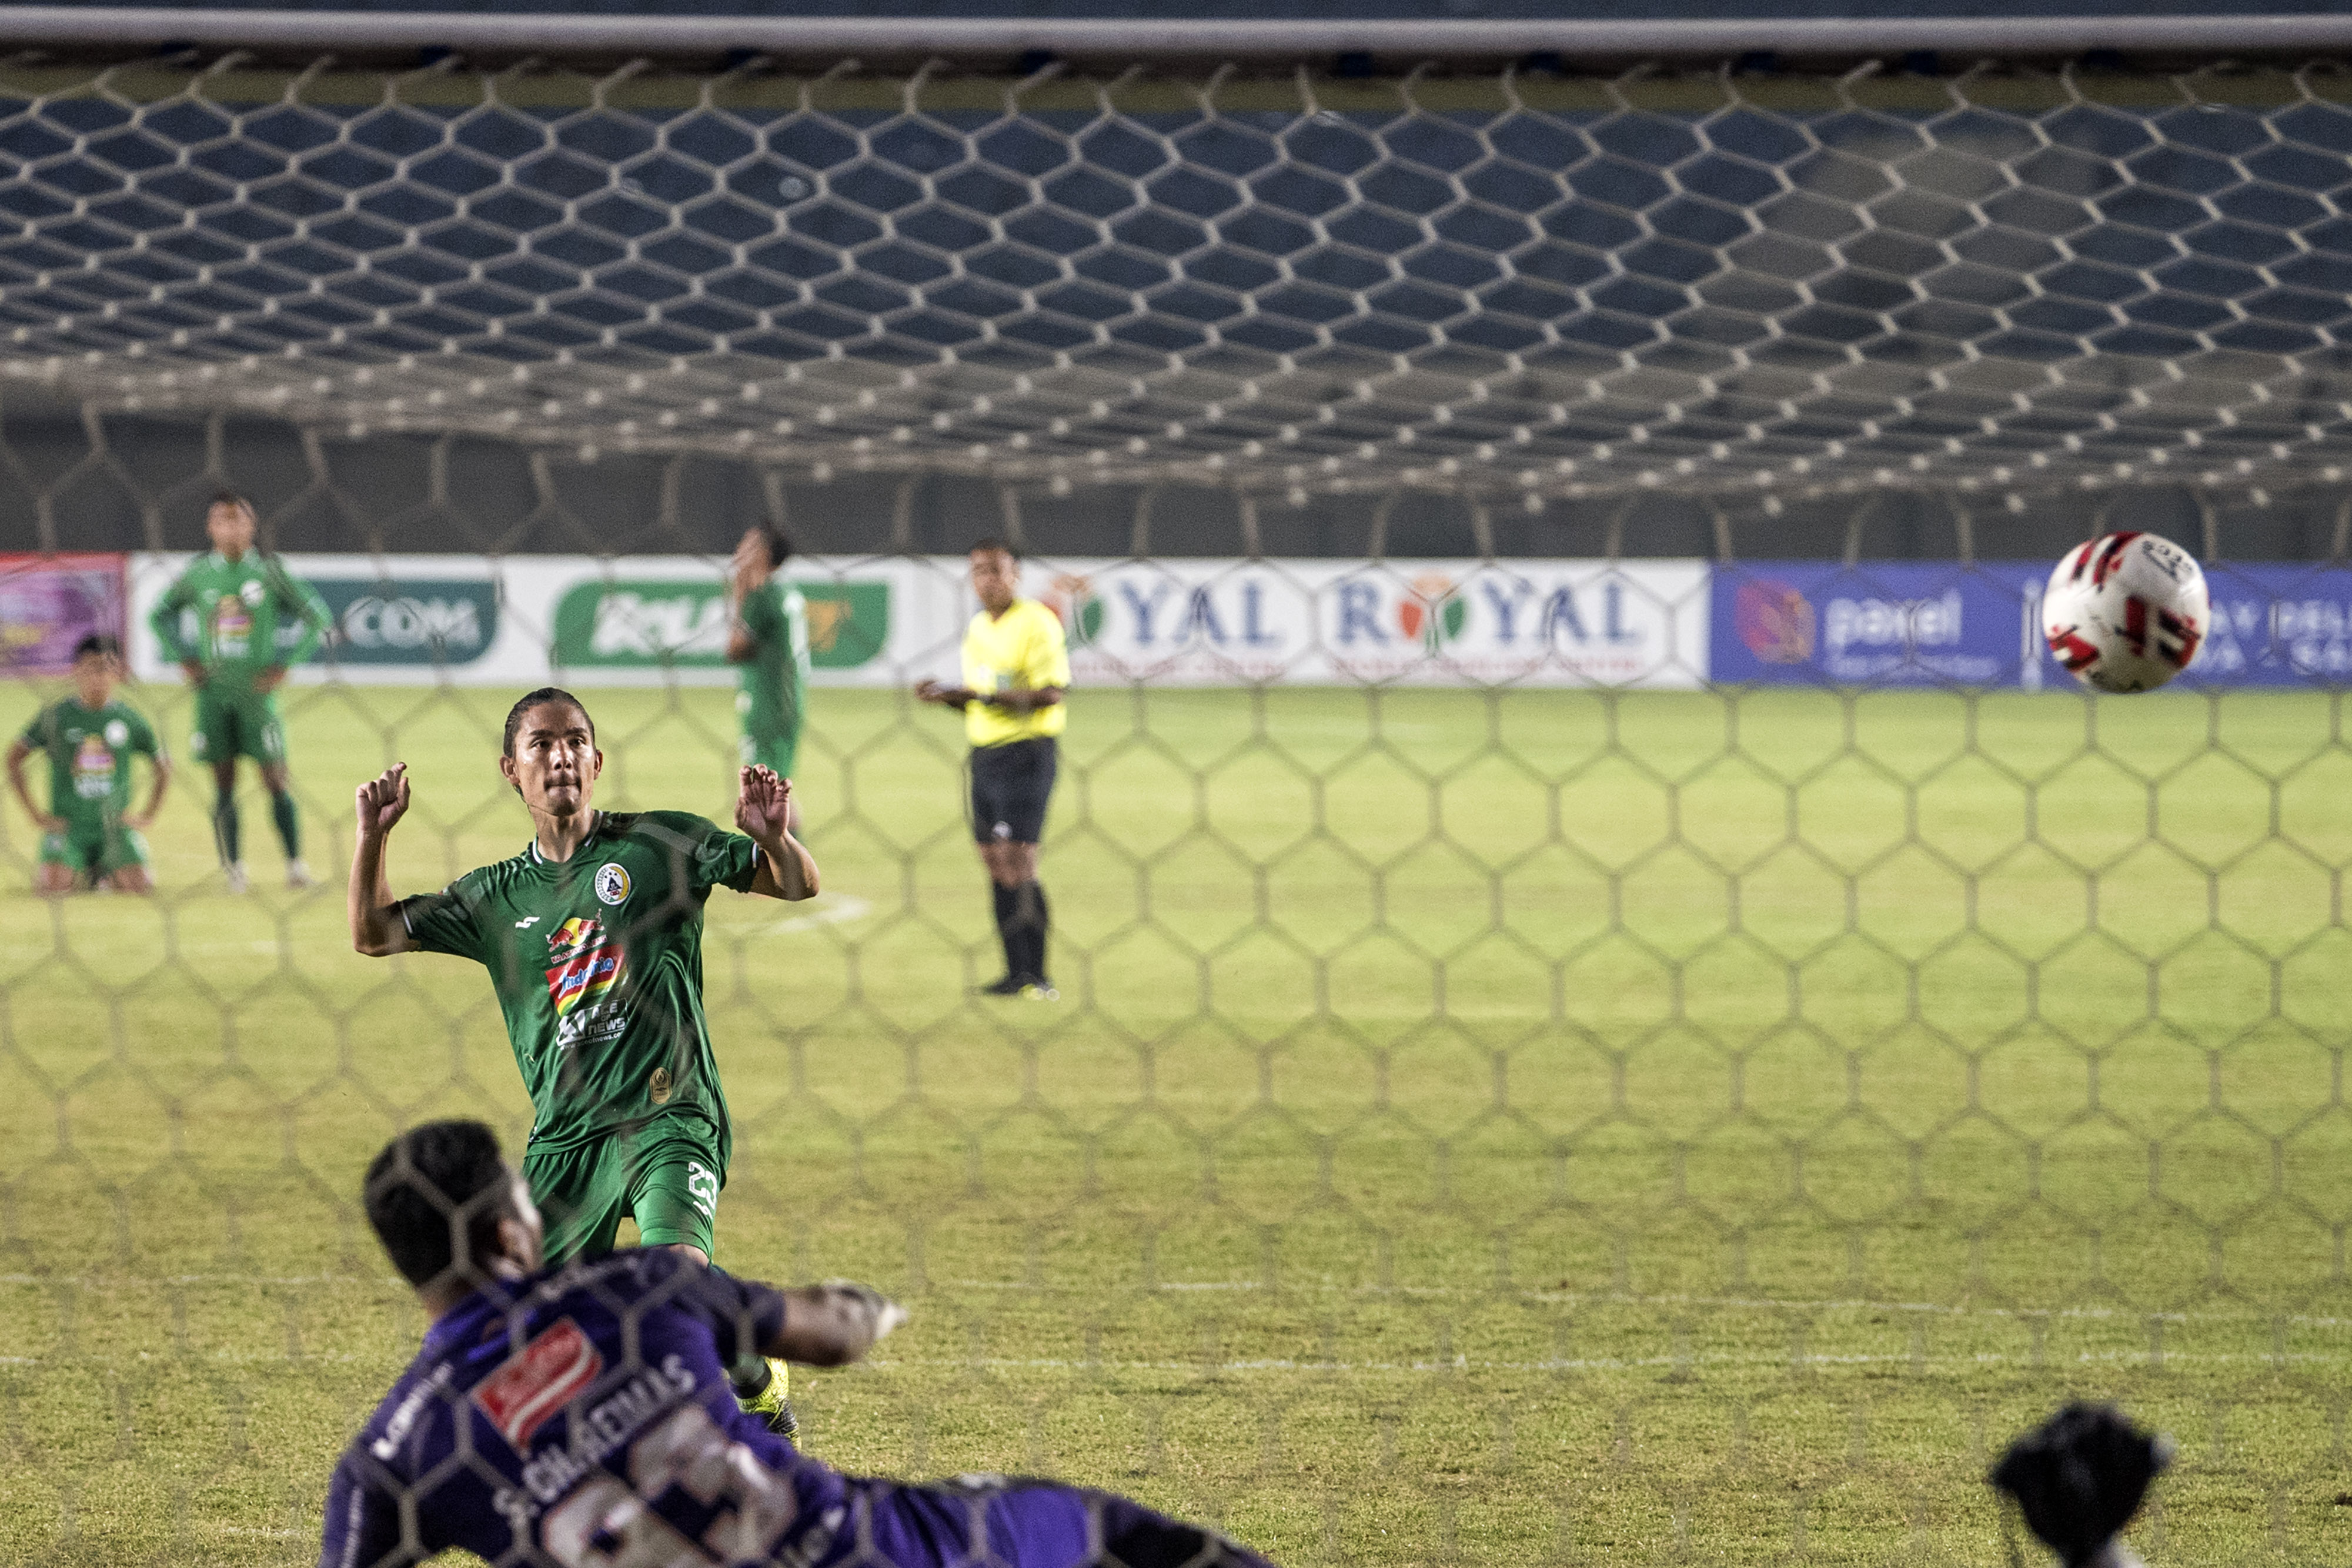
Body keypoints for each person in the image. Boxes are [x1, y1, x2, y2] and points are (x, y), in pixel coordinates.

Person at [322, 1119, 1282, 1568]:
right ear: (510, 1233)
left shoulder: (390, 1458)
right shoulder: (634, 1284)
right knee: (1102, 1530)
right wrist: (881, 1307)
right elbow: (830, 1334)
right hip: (862, 1551)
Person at [348, 687, 822, 1435]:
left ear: (597, 762)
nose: (561, 756)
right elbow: (374, 934)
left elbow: (796, 884)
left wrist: (774, 840)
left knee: (671, 1281)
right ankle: (750, 1364)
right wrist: (372, 836)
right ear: (511, 769)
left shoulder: (660, 845)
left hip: (670, 1113)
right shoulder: (494, 897)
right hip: (567, 1139)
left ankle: (735, 1413)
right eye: (541, 744)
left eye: (574, 742)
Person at [146, 491, 332, 893]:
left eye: (238, 519)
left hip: (257, 697)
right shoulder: (198, 574)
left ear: (252, 525)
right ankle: (234, 870)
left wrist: (285, 664)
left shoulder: (270, 572)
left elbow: (317, 616)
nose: (231, 528)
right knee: (224, 783)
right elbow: (158, 616)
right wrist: (184, 658)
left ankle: (296, 867)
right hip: (213, 695)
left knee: (276, 780)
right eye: (222, 520)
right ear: (210, 528)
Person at [914, 540, 1069, 1001]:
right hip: (984, 757)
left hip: (1027, 753)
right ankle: (1013, 972)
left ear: (1016, 574)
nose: (988, 580)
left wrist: (978, 696)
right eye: (979, 571)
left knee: (1020, 859)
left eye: (997, 570)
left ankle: (1038, 976)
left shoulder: (1037, 621)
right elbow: (982, 699)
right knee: (994, 861)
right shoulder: (979, 627)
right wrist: (948, 697)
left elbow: (1051, 694)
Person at [5, 633, 171, 894]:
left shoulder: (129, 719)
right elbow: (14, 757)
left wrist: (147, 815)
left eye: (105, 669)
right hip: (70, 828)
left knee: (140, 887)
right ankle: (83, 870)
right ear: (76, 671)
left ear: (118, 673)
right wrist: (35, 814)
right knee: (51, 888)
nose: (97, 677)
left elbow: (162, 766)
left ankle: (102, 872)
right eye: (90, 668)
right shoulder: (57, 717)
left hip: (114, 827)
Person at [725, 524, 810, 833]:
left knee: (765, 796)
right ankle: (791, 859)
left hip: (765, 705)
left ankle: (794, 860)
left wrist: (739, 592)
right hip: (787, 700)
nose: (738, 550)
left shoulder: (761, 597)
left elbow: (735, 650)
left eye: (747, 545)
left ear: (762, 553)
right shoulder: (787, 591)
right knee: (777, 790)